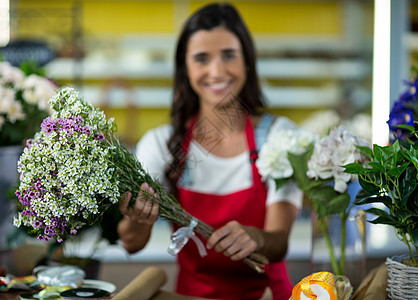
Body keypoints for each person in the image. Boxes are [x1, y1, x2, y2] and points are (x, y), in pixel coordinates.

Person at [117, 3, 302, 300]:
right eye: (202, 58)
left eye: (228, 55)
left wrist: (257, 238)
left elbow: (279, 242)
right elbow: (131, 243)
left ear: (247, 61)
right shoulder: (162, 144)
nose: (217, 71)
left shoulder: (280, 137)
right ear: (185, 68)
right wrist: (137, 218)